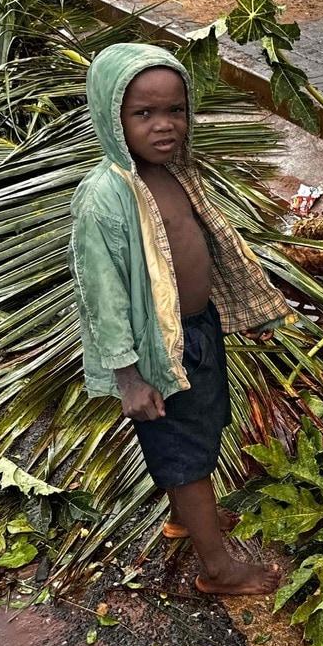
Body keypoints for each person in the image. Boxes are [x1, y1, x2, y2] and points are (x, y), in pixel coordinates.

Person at [70, 42, 292, 596]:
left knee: (204, 428)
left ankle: (189, 520)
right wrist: (129, 376)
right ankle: (216, 569)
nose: (164, 126)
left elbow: (212, 246)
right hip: (155, 353)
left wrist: (247, 309)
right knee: (183, 450)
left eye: (175, 110)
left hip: (196, 331)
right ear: (111, 117)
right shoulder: (105, 198)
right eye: (144, 114)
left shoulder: (175, 173)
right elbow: (103, 297)